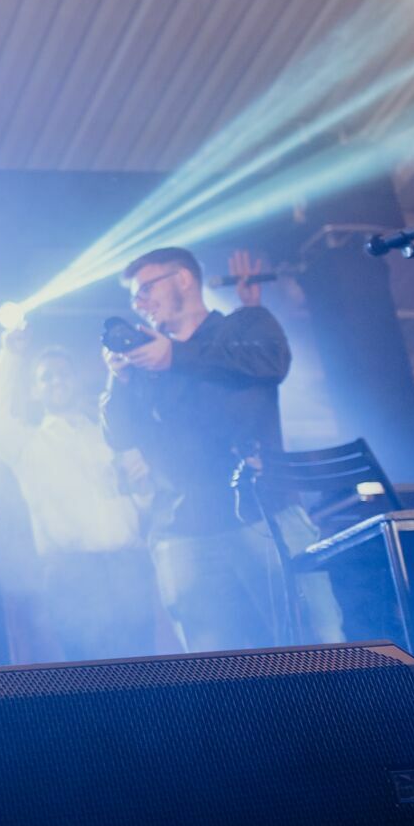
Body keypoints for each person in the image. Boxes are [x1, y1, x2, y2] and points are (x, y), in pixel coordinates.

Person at [102, 246, 309, 653]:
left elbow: (273, 360)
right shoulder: (144, 362)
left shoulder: (242, 325)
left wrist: (176, 355)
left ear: (183, 279)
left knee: (308, 650)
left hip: (260, 516)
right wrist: (118, 381)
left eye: (146, 289)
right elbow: (120, 436)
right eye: (134, 299)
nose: (140, 304)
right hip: (185, 531)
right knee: (215, 670)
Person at [0, 325, 158, 659]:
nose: (57, 381)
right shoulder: (28, 445)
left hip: (129, 566)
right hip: (74, 576)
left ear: (77, 381)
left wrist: (144, 489)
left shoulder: (108, 432)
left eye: (64, 374)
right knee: (90, 683)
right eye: (47, 377)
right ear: (33, 390)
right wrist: (11, 354)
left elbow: (141, 501)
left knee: (146, 674)